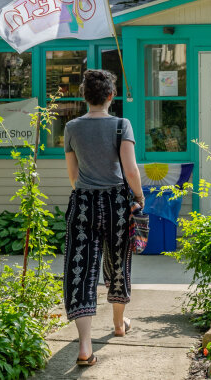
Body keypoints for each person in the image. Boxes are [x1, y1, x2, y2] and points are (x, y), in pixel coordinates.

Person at [63, 69, 145, 367]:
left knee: (80, 270)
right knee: (118, 262)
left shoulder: (72, 127)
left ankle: (85, 347)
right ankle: (119, 324)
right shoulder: (122, 126)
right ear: (111, 96)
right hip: (117, 204)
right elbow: (131, 170)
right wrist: (138, 196)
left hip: (83, 202)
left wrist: (86, 193)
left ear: (85, 97)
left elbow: (73, 175)